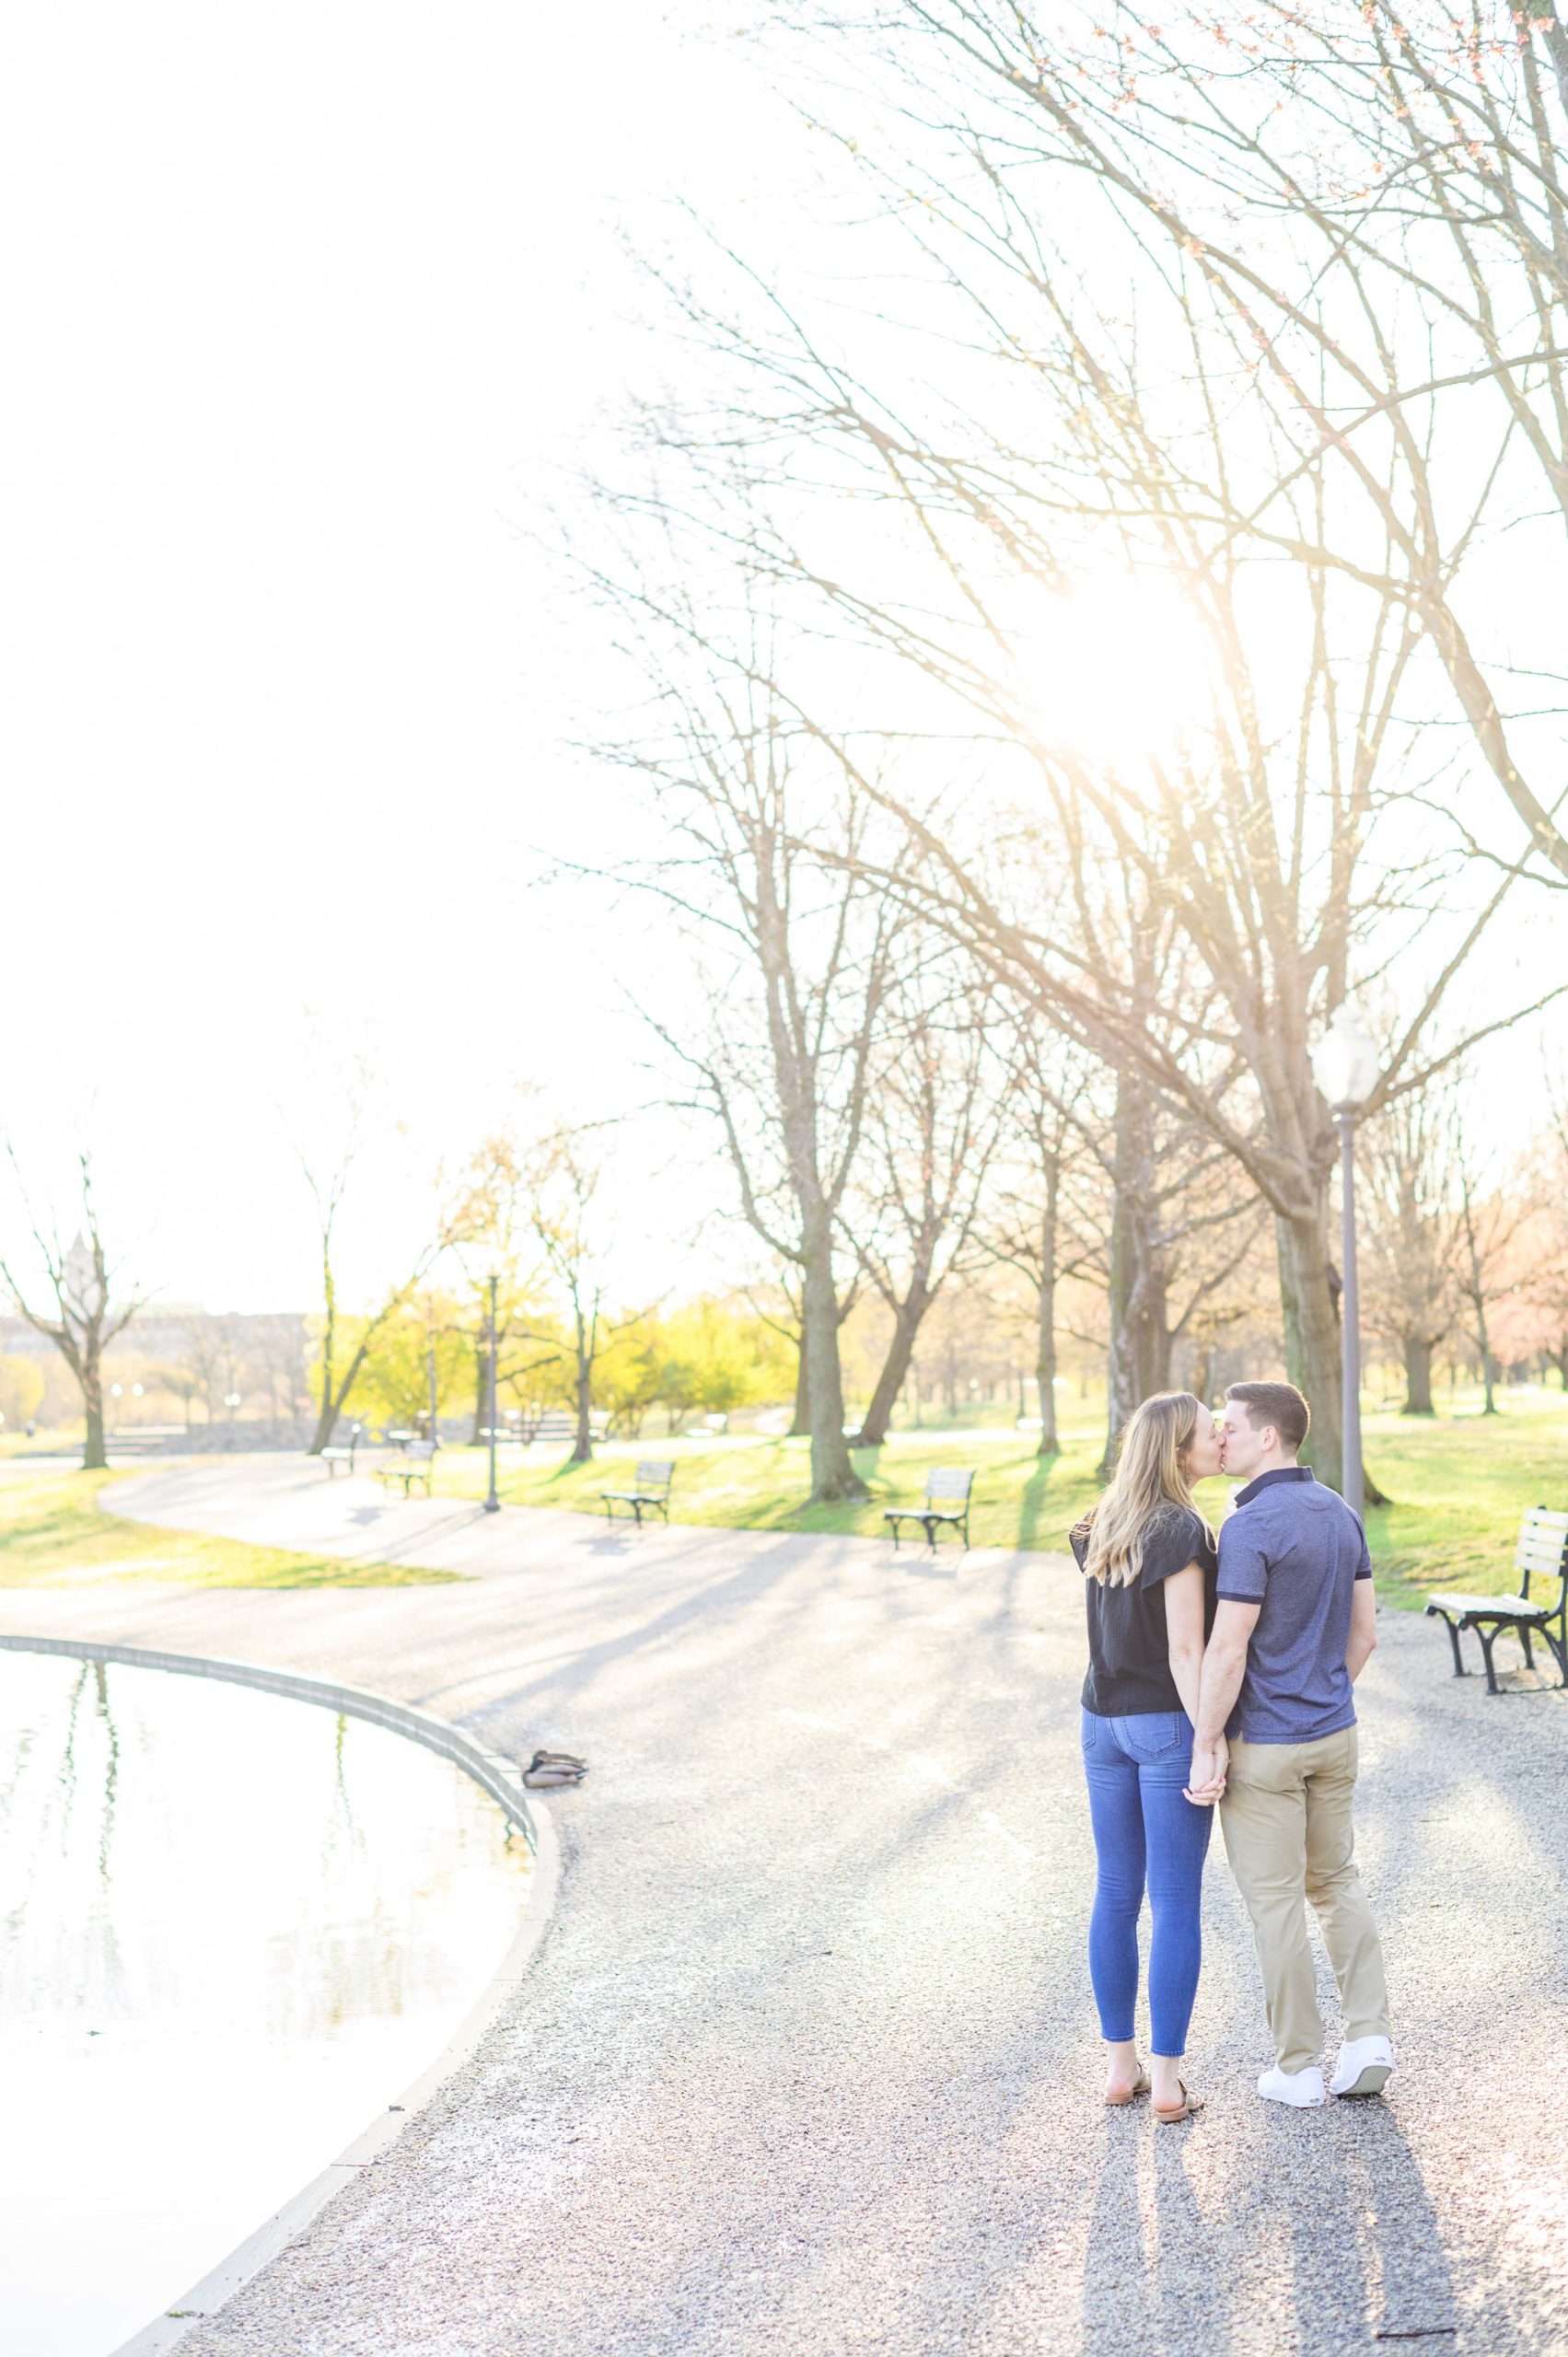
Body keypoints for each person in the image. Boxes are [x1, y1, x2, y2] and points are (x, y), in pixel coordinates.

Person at [1186, 1380, 1392, 2107]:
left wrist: (1205, 1739)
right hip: (1335, 1736)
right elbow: (1363, 1633)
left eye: (1231, 1427)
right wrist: (1325, 1695)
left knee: (1275, 1902)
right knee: (1336, 1881)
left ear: (1267, 1437)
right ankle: (1369, 2037)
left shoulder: (1249, 1526)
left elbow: (1227, 1646)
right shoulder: (1339, 1510)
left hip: (1266, 1749)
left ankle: (1299, 2067)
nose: (1221, 1439)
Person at [1072, 1390, 1224, 2124]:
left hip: (1099, 1723)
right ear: (1176, 1452)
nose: (1217, 1443)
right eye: (1205, 1436)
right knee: (1173, 1903)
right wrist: (1208, 1741)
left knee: (1114, 1892)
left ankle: (1118, 2069)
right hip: (1164, 1725)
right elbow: (1186, 1648)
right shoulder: (1181, 1528)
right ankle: (1166, 2084)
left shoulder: (1104, 1520)